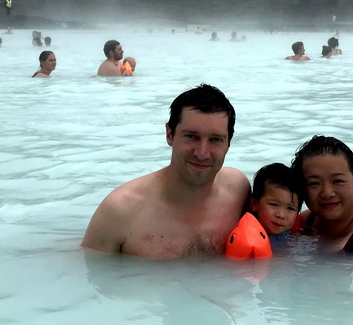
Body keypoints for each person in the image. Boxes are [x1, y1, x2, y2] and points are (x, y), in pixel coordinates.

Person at [82, 84, 250, 258]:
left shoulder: (238, 190)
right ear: (170, 134)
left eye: (216, 139)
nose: (202, 153)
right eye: (191, 136)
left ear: (228, 144)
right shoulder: (120, 211)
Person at [248, 163, 302, 251]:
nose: (281, 215)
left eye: (290, 208)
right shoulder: (247, 236)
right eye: (274, 204)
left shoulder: (297, 237)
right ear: (254, 203)